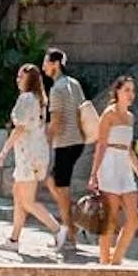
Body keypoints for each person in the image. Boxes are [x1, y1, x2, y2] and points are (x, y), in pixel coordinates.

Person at [0, 59, 59, 251]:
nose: (17, 80)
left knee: (27, 200)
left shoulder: (27, 99)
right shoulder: (38, 100)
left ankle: (57, 229)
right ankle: (14, 239)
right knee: (19, 196)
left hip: (29, 156)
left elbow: (20, 128)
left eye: (20, 77)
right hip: (31, 154)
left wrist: (4, 150)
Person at [91, 74, 138, 265]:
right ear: (117, 91)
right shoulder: (109, 114)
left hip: (124, 166)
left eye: (132, 90)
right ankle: (104, 261)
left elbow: (129, 148)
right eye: (126, 90)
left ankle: (116, 258)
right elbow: (101, 145)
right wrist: (94, 173)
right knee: (110, 219)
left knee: (134, 218)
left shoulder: (130, 117)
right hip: (109, 164)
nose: (130, 94)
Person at [42, 45, 87, 252]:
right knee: (58, 185)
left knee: (60, 187)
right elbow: (81, 111)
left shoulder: (57, 89)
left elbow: (57, 119)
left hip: (65, 142)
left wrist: (46, 140)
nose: (44, 67)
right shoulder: (74, 84)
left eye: (46, 62)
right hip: (77, 141)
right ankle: (70, 224)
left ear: (56, 64)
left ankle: (69, 232)